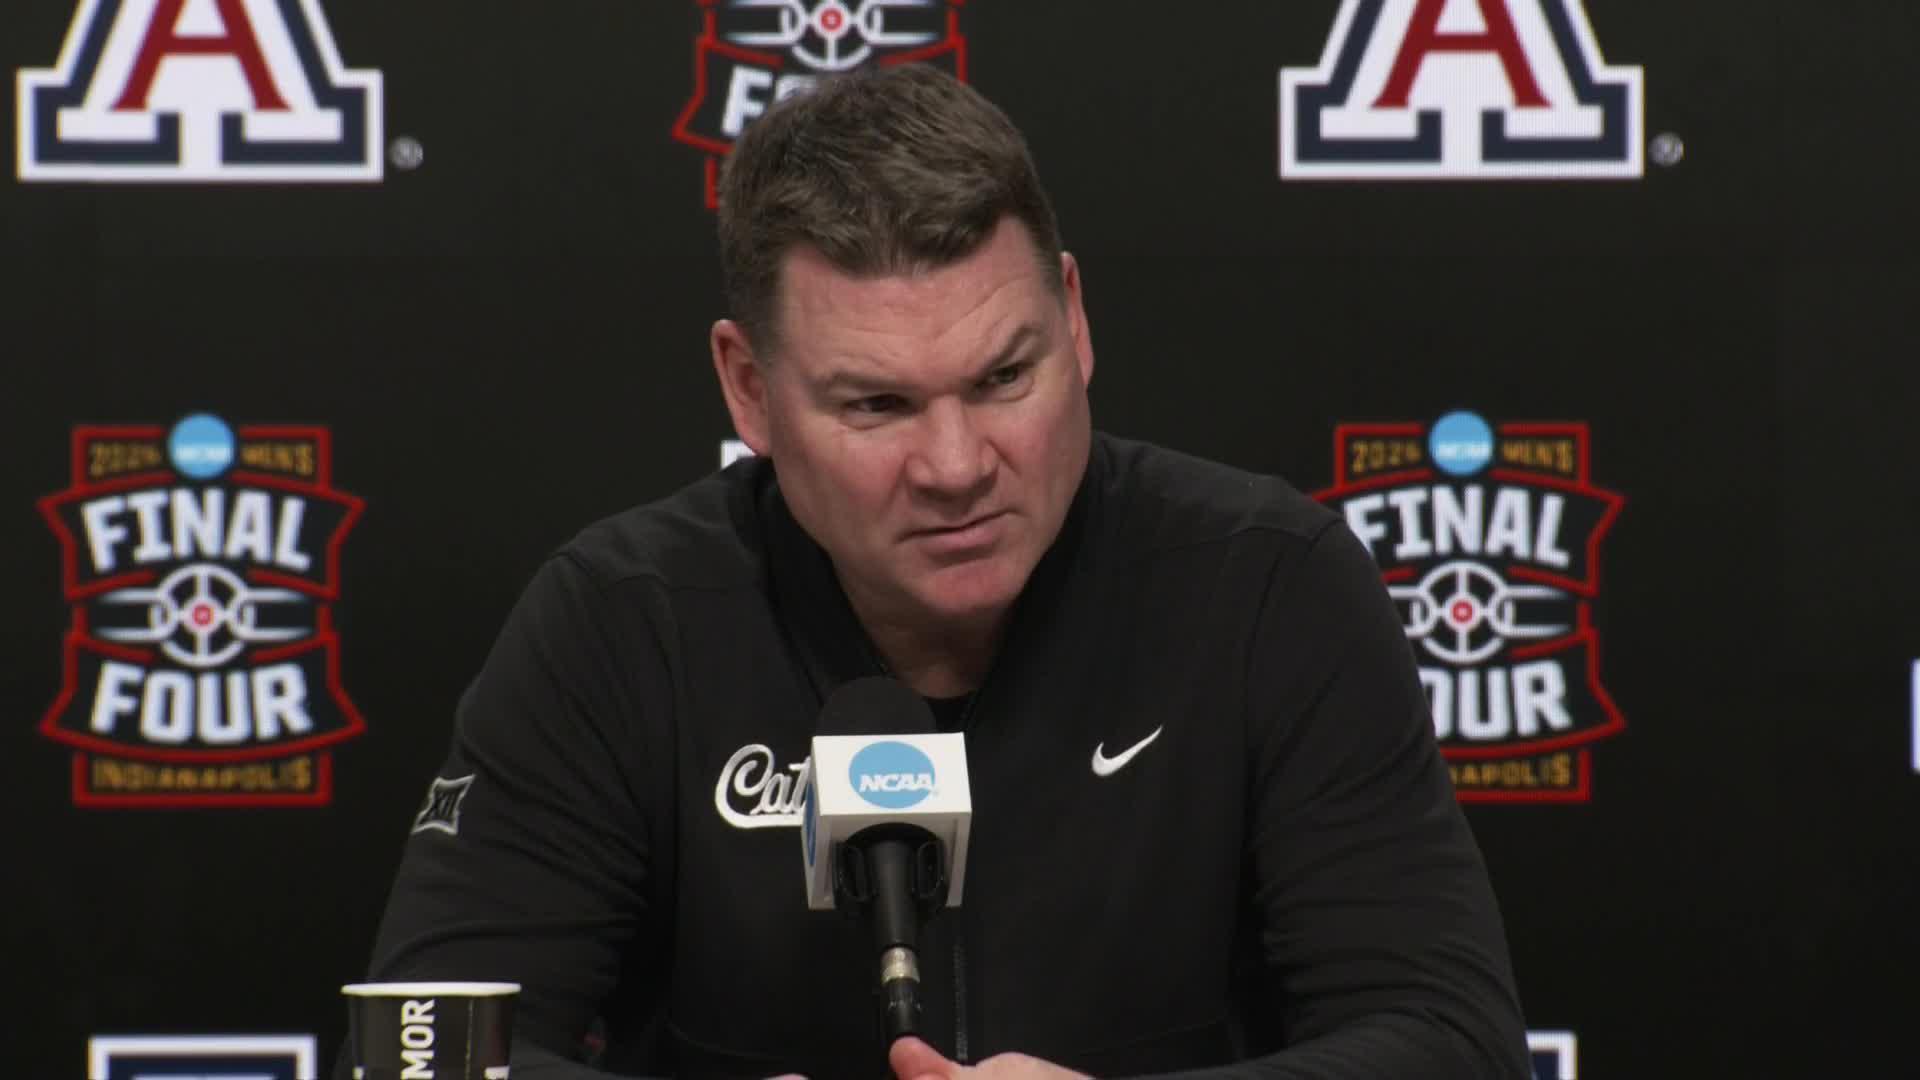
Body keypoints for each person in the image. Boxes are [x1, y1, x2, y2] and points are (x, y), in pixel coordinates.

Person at [348, 64, 1531, 1079]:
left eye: (1005, 378)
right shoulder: (622, 624)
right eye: (877, 405)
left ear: (1074, 322)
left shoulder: (1266, 587)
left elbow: (1452, 1043)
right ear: (749, 390)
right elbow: (421, 1053)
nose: (959, 466)